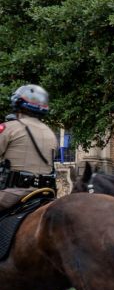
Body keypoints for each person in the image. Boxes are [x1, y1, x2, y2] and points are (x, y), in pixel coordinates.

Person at [0, 84, 58, 212]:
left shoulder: (9, 128)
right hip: (45, 193)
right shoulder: (51, 133)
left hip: (14, 194)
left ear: (17, 102)